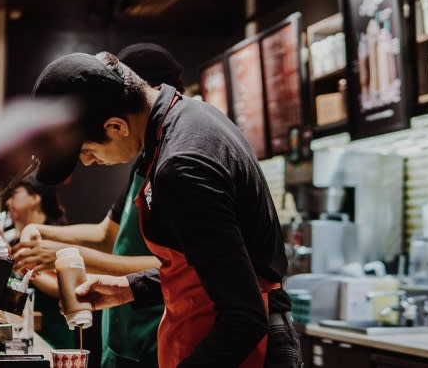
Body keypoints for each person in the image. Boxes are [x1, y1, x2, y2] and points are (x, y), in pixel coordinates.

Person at [31, 50, 301, 368]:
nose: (89, 162)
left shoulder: (182, 165)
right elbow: (211, 270)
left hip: (245, 352)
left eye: (88, 151)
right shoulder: (189, 118)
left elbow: (244, 317)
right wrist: (130, 288)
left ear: (116, 127)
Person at [13, 44, 186, 368]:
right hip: (123, 333)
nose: (88, 162)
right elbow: (108, 234)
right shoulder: (144, 164)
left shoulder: (179, 163)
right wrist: (42, 232)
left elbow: (179, 268)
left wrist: (67, 256)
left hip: (156, 330)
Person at [0, 176, 76, 349]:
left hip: (54, 336)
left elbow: (65, 289)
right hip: (23, 336)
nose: (8, 202)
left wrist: (19, 263)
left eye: (14, 194)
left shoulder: (56, 237)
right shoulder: (15, 241)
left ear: (35, 198)